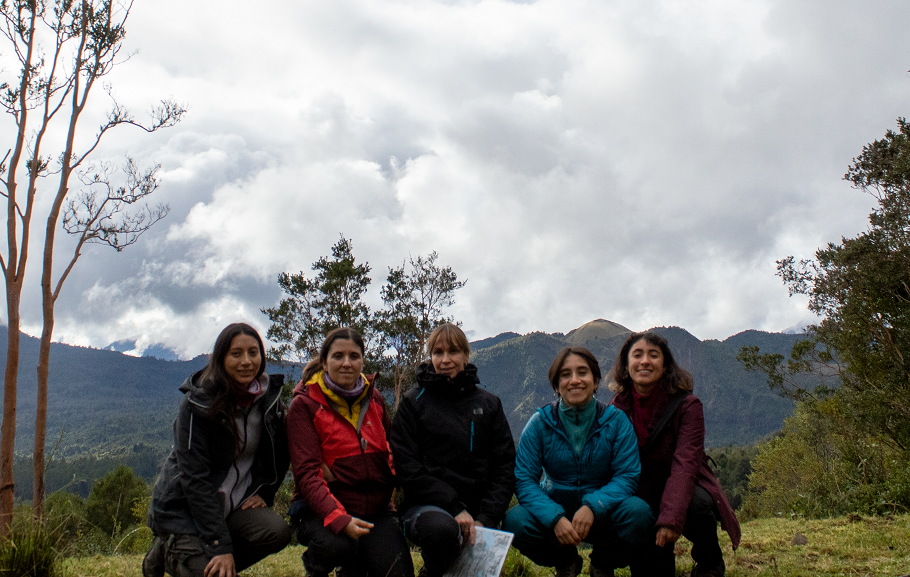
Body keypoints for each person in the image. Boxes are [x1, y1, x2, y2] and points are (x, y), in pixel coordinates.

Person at [143, 323, 292, 577]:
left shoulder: (268, 402)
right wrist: (219, 547)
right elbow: (194, 478)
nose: (246, 361)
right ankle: (171, 553)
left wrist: (265, 491)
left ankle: (205, 561)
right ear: (221, 358)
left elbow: (280, 453)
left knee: (277, 531)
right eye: (236, 354)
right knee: (214, 569)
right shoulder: (198, 403)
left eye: (253, 353)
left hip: (231, 508)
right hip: (184, 511)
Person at [503, 347, 653, 577]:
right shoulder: (540, 423)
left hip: (604, 511)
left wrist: (594, 505)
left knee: (639, 514)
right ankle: (566, 562)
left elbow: (627, 476)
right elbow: (524, 480)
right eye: (565, 374)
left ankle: (603, 563)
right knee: (516, 521)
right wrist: (553, 517)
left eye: (582, 372)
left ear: (595, 381)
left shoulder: (616, 421)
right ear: (556, 384)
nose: (574, 380)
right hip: (557, 508)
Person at [609, 331, 741, 577]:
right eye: (637, 355)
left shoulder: (687, 406)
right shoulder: (617, 408)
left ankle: (709, 562)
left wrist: (670, 518)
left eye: (653, 355)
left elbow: (686, 464)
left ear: (665, 365)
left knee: (697, 506)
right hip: (643, 490)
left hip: (684, 486)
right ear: (626, 366)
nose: (645, 361)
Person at [390, 323, 516, 577]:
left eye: (454, 351)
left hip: (479, 511)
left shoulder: (489, 404)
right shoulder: (413, 403)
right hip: (427, 508)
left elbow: (504, 467)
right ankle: (434, 569)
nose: (445, 359)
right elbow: (408, 468)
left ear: (466, 356)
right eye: (438, 352)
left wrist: (486, 518)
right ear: (430, 357)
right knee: (442, 531)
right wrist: (455, 508)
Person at [287, 327, 413, 577]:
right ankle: (317, 568)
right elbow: (307, 474)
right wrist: (339, 519)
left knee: (398, 573)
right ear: (324, 362)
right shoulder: (305, 405)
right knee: (338, 544)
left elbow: (391, 451)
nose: (347, 363)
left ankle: (354, 569)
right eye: (338, 356)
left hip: (375, 511)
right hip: (321, 511)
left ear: (363, 360)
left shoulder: (373, 397)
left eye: (354, 356)